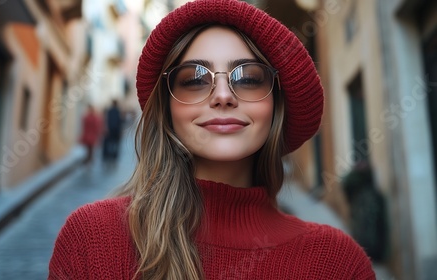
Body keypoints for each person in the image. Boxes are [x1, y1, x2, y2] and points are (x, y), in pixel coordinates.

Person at [49, 0, 376, 279]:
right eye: (194, 80)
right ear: (168, 109)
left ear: (276, 105)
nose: (222, 96)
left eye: (248, 78)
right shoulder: (91, 240)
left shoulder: (339, 264)